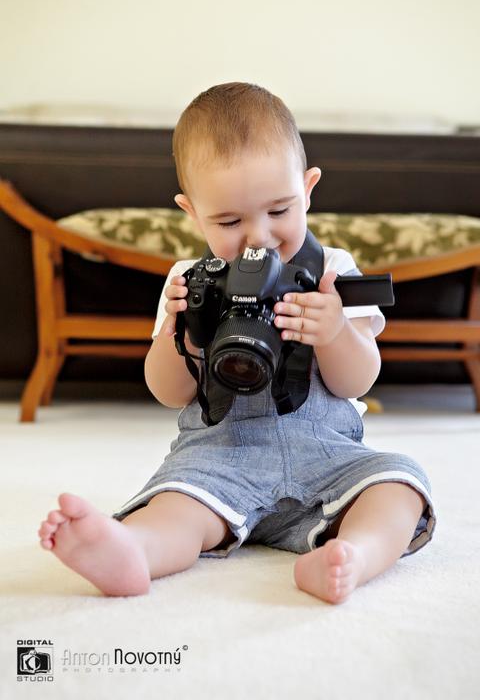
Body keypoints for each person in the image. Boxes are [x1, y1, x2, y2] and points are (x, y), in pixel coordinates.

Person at [38, 82, 436, 604]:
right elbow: (169, 392)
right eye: (229, 221)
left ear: (308, 189)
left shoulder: (332, 271)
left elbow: (358, 380)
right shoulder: (191, 280)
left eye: (280, 211)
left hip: (327, 455)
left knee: (400, 484)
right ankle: (133, 551)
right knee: (178, 504)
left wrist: (335, 332)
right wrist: (183, 334)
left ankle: (353, 555)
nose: (259, 237)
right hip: (220, 456)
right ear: (192, 212)